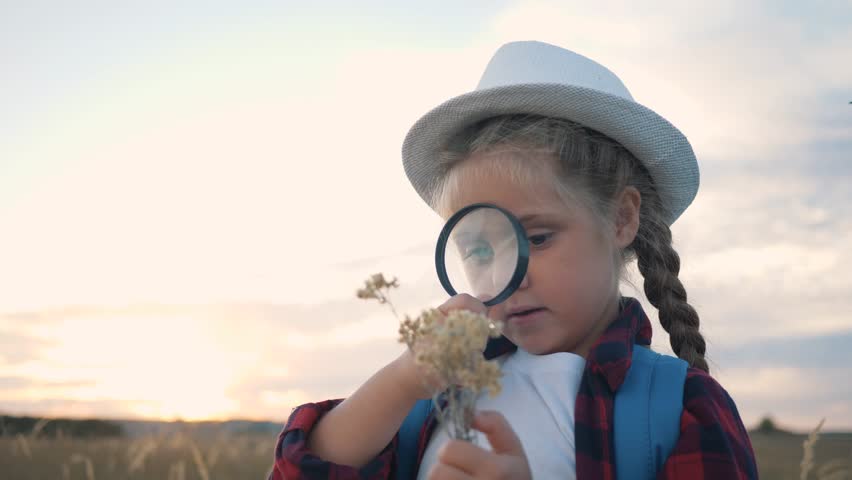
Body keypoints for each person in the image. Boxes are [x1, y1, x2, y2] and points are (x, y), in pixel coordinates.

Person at [268, 40, 758, 479]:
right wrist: (401, 382)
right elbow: (302, 469)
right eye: (479, 251)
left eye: (539, 238)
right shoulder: (436, 400)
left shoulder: (681, 411)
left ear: (621, 219)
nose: (510, 276)